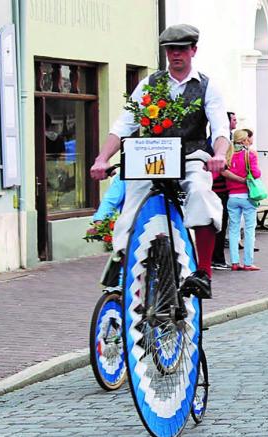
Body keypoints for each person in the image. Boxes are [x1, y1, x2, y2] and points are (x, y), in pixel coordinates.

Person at [90, 23, 229, 299]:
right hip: (154, 155)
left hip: (190, 156)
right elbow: (123, 125)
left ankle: (202, 273)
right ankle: (122, 259)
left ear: (193, 50)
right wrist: (102, 158)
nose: (176, 55)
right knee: (133, 200)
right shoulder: (150, 84)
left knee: (201, 191)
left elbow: (220, 128)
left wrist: (220, 155)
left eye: (181, 49)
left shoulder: (206, 86)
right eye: (170, 50)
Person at [221, 129, 261, 271]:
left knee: (233, 230)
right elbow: (256, 174)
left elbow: (223, 171)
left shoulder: (228, 155)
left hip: (232, 197)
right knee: (250, 230)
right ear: (245, 140)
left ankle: (234, 262)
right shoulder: (249, 155)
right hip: (247, 196)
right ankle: (248, 263)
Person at [211, 112, 239, 269]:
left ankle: (216, 257)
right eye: (234, 119)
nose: (236, 122)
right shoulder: (218, 141)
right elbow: (222, 168)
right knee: (219, 225)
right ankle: (217, 259)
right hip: (217, 189)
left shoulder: (224, 139)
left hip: (222, 189)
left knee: (220, 224)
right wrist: (241, 179)